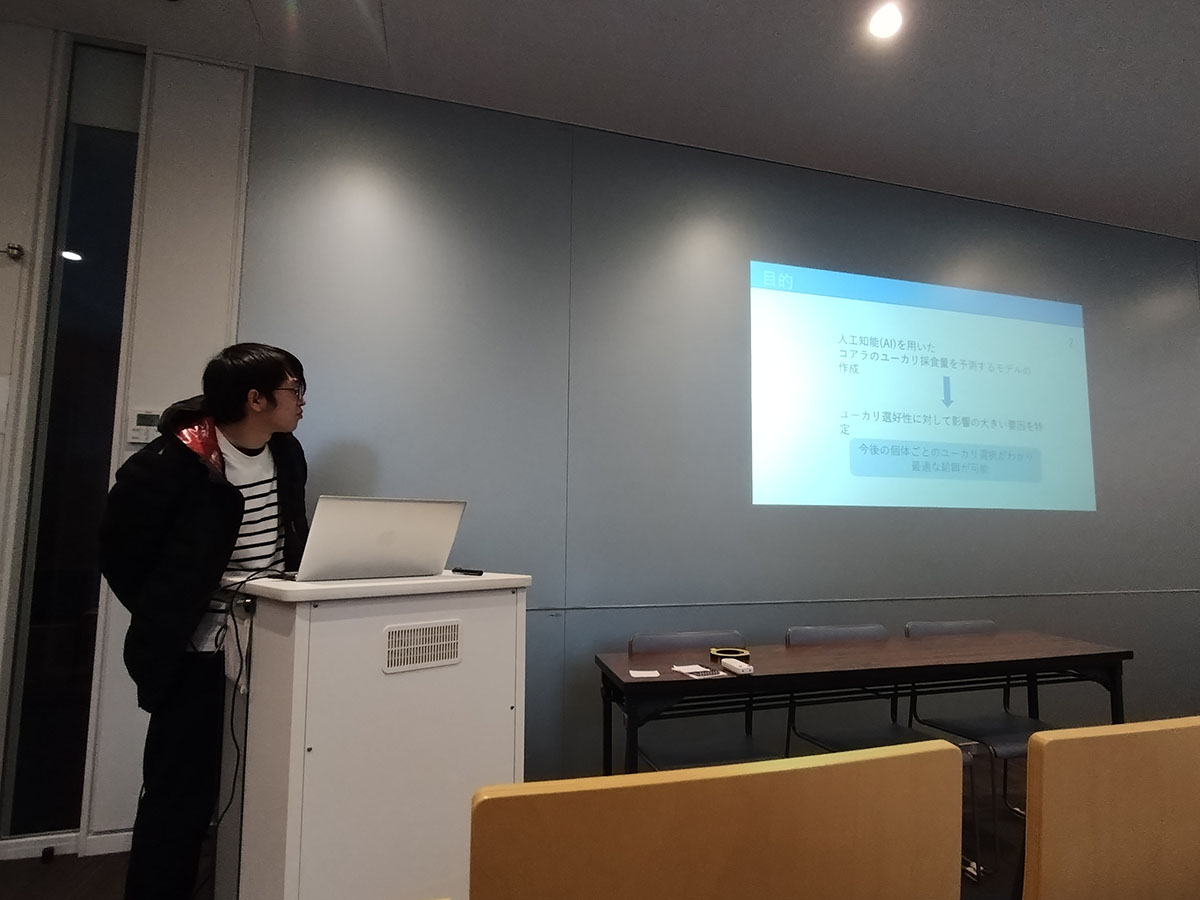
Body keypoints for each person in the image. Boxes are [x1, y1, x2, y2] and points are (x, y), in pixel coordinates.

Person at [100, 343, 310, 900]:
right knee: (178, 794)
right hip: (196, 653)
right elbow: (121, 556)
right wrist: (171, 612)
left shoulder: (286, 452)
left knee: (267, 782)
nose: (302, 402)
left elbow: (290, 533)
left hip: (272, 642)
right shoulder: (172, 462)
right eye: (294, 390)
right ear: (255, 398)